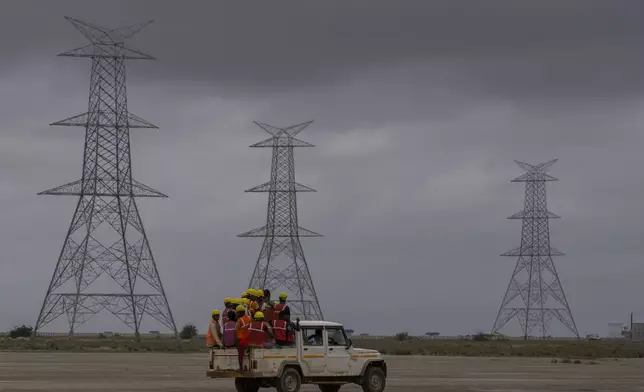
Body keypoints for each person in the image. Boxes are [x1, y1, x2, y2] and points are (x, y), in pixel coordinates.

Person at [235, 304, 251, 371]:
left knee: (240, 354)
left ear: (240, 312)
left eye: (237, 312)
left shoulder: (240, 320)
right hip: (248, 339)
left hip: (241, 340)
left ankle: (240, 367)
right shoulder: (249, 318)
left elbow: (236, 330)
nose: (236, 314)